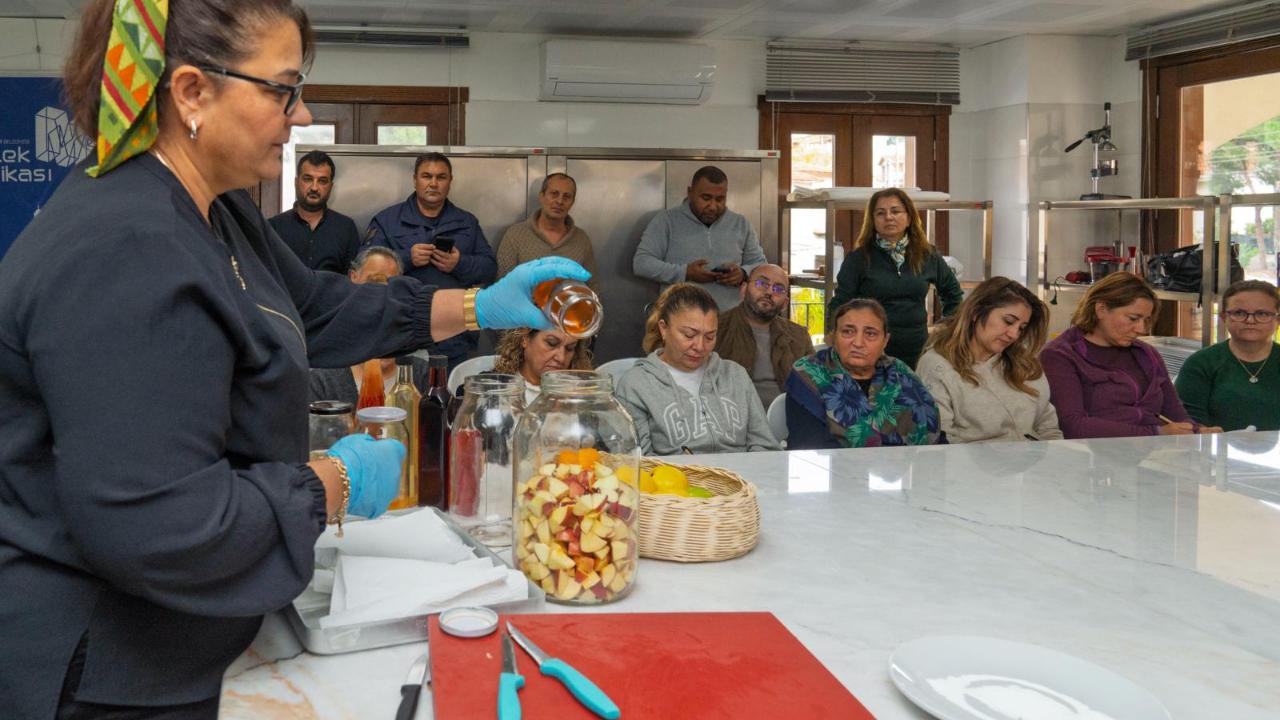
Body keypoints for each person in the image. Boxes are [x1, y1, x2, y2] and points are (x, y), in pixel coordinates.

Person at [0, 2, 589, 716]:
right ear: (191, 92)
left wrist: (477, 305)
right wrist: (331, 483)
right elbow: (163, 523)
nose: (300, 114)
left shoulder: (218, 209)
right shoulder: (127, 247)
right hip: (108, 666)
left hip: (188, 630)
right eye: (283, 90)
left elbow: (313, 305)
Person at [1040, 272, 1220, 439]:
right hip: (1093, 457)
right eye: (1133, 318)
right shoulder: (1060, 355)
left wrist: (1195, 430)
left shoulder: (1147, 353)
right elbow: (1072, 425)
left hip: (1154, 453)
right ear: (1101, 309)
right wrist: (1155, 433)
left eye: (1146, 320)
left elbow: (1175, 412)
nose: (1141, 329)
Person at [365, 152, 497, 370]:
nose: (433, 183)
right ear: (415, 179)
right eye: (427, 176)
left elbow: (489, 268)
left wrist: (459, 264)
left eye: (441, 177)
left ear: (450, 181)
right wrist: (406, 259)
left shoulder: (466, 222)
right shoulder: (387, 220)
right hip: (400, 335)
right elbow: (366, 269)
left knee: (450, 391)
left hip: (453, 335)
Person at [615, 283, 779, 455]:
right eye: (689, 335)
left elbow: (765, 445)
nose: (700, 346)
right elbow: (637, 460)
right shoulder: (636, 384)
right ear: (663, 329)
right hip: (673, 472)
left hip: (741, 471)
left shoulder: (735, 375)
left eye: (710, 337)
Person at [827, 187, 963, 369]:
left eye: (895, 211)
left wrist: (946, 330)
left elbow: (953, 294)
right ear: (873, 220)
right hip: (870, 350)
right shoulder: (859, 258)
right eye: (880, 213)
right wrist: (835, 335)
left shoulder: (928, 256)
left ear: (909, 218)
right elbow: (840, 303)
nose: (889, 217)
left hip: (917, 349)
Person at [915, 277, 1063, 443]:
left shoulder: (1025, 364)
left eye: (1021, 328)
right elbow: (940, 443)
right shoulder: (937, 366)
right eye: (1008, 321)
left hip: (1036, 458)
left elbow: (1049, 429)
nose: (1014, 335)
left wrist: (1055, 455)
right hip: (966, 460)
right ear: (976, 312)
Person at [786, 298, 942, 449]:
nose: (858, 343)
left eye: (870, 334)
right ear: (833, 337)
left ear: (885, 340)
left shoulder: (901, 375)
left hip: (905, 466)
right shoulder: (808, 374)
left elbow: (934, 439)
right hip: (830, 465)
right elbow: (809, 445)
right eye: (848, 332)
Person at [633, 165, 768, 311]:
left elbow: (760, 264)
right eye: (706, 198)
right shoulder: (666, 221)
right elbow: (642, 263)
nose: (713, 206)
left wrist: (743, 273)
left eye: (720, 199)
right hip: (680, 317)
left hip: (729, 318)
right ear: (690, 192)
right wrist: (685, 273)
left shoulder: (741, 224)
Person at [310, 247, 429, 404]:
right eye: (374, 281)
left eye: (390, 284)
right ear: (353, 277)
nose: (382, 291)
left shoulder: (420, 371)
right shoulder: (323, 374)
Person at [1176, 280, 1280, 431]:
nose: (1250, 320)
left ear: (1278, 319)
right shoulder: (1200, 363)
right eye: (1239, 313)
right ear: (1224, 317)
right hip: (1214, 446)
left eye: (1262, 314)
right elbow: (1189, 422)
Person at [716, 263, 814, 407]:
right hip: (732, 414)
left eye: (778, 289)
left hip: (787, 415)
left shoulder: (799, 336)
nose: (769, 292)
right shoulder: (717, 329)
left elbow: (814, 385)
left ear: (785, 303)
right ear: (744, 289)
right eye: (762, 284)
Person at [496, 172, 598, 292]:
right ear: (541, 196)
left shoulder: (581, 240)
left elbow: (592, 288)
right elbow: (502, 287)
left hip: (568, 304)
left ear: (572, 202)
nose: (560, 201)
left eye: (567, 197)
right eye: (554, 194)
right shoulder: (515, 235)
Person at [267, 149, 360, 272]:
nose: (314, 188)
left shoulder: (346, 228)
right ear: (296, 182)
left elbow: (354, 278)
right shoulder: (273, 228)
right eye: (308, 179)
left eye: (322, 181)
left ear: (331, 187)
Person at [493, 327, 593, 406]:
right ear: (525, 338)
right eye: (551, 343)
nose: (561, 358)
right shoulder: (492, 390)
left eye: (570, 348)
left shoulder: (582, 398)